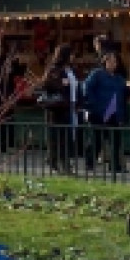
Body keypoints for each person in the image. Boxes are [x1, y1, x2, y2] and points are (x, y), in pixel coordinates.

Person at [83, 51, 130, 173]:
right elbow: (87, 87)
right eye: (110, 61)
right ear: (104, 62)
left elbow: (125, 92)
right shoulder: (97, 74)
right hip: (99, 112)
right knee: (96, 139)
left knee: (115, 140)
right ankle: (90, 163)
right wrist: (92, 104)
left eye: (115, 61)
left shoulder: (119, 78)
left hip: (114, 113)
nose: (113, 64)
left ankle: (115, 165)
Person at [39, 44, 76, 172]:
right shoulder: (54, 69)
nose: (73, 57)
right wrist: (61, 84)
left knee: (65, 136)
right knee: (58, 137)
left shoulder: (70, 70)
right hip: (56, 108)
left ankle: (57, 161)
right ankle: (60, 163)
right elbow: (45, 85)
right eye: (71, 54)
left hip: (68, 107)